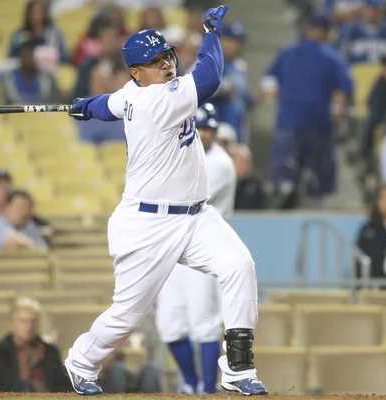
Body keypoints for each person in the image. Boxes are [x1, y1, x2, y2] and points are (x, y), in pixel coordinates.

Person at [63, 5, 267, 396]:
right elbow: (209, 76)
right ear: (136, 73)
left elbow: (111, 105)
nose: (167, 65)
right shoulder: (156, 100)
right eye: (154, 62)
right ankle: (81, 361)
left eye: (168, 56)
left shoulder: (134, 95)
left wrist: (87, 106)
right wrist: (209, 33)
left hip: (195, 217)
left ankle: (239, 368)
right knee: (127, 317)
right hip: (147, 225)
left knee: (240, 266)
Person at [155, 103, 235, 395]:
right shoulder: (184, 154)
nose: (203, 134)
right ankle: (191, 382)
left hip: (205, 248)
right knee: (169, 325)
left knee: (205, 323)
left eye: (207, 129)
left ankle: (208, 389)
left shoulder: (220, 164)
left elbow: (184, 200)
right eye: (198, 128)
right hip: (174, 251)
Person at [260, 14, 353, 209]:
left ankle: (287, 190)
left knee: (286, 173)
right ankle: (312, 202)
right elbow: (344, 89)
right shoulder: (331, 56)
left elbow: (267, 84)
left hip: (289, 121)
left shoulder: (287, 53)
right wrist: (336, 113)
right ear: (327, 33)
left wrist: (282, 97)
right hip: (318, 123)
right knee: (317, 181)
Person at [0, 296, 71, 392]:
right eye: (23, 321)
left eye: (33, 321)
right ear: (11, 324)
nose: (29, 326)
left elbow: (62, 387)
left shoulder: (51, 351)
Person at [0, 189, 48, 259]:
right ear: (7, 207)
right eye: (20, 207)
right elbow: (18, 243)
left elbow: (44, 250)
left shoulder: (29, 225)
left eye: (28, 208)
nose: (25, 212)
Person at [0, 32, 64, 105]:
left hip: (43, 116)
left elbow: (57, 107)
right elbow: (2, 110)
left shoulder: (48, 79)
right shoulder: (8, 80)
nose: (29, 55)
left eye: (32, 51)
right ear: (18, 55)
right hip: (16, 116)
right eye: (25, 51)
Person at [334, 0, 386, 65]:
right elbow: (340, 58)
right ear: (364, 9)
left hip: (385, 76)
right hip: (356, 75)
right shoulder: (349, 31)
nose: (375, 13)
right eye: (371, 9)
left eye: (378, 9)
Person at [7, 0, 70, 68]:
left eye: (39, 11)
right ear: (28, 13)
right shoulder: (20, 35)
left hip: (50, 72)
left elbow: (63, 57)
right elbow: (11, 58)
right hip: (26, 72)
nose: (36, 15)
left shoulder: (54, 34)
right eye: (33, 12)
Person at [230, 144, 267, 210]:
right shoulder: (225, 182)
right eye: (242, 162)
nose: (247, 166)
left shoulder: (255, 185)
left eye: (248, 162)